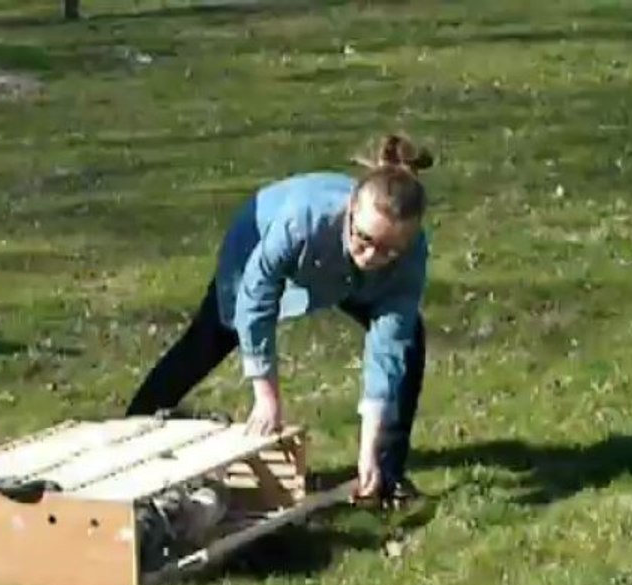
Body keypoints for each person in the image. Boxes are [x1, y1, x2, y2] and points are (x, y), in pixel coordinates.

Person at [126, 134, 433, 506]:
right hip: (259, 241)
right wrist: (266, 396)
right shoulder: (301, 221)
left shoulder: (410, 259)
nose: (370, 255)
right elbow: (256, 298)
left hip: (345, 279)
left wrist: (369, 447)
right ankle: (131, 430)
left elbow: (388, 349)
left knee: (409, 342)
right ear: (352, 207)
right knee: (210, 338)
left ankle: (385, 474)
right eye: (363, 238)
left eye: (388, 250)